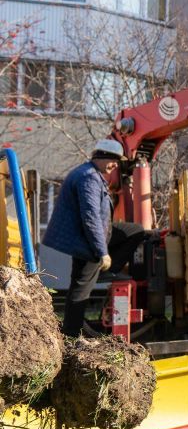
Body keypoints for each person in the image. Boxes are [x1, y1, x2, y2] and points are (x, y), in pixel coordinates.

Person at [43, 140, 147, 337]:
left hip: (96, 234)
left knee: (134, 231)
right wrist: (102, 253)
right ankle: (71, 334)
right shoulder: (88, 178)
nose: (116, 165)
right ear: (101, 157)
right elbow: (91, 217)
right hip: (87, 241)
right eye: (114, 161)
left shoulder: (91, 174)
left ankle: (105, 275)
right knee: (80, 290)